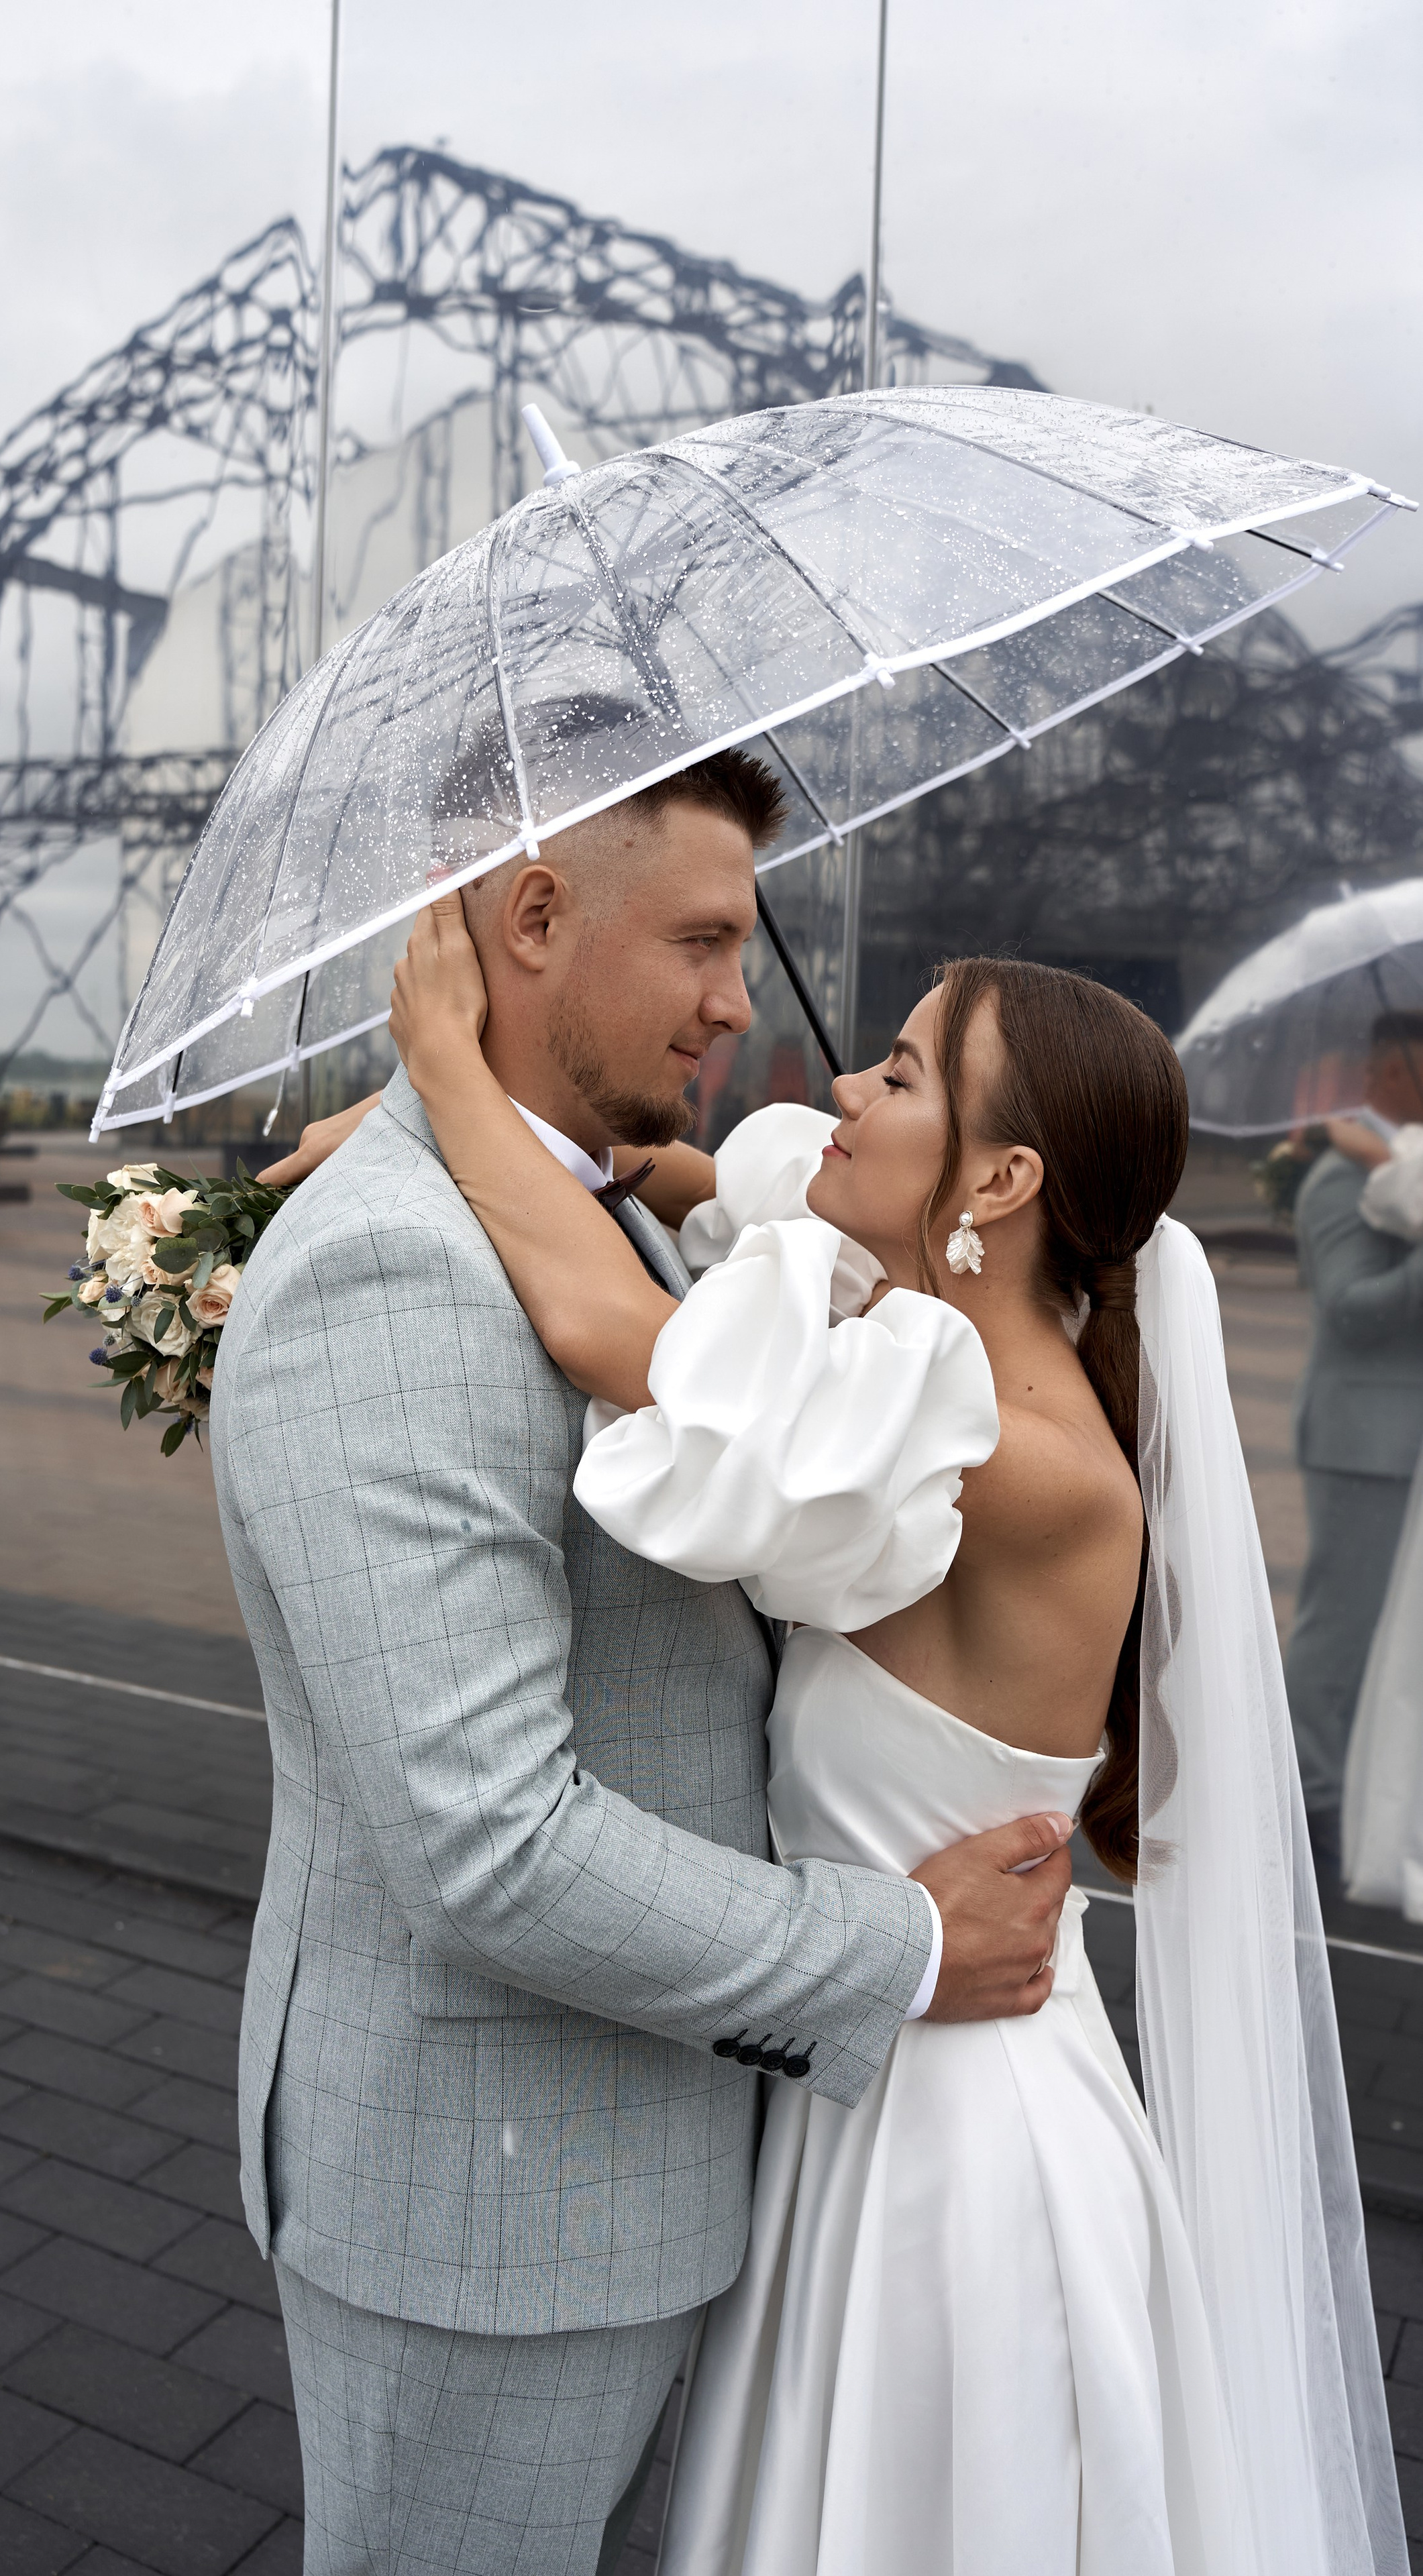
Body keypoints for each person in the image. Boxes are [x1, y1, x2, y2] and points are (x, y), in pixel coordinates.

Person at [381, 906, 1402, 2574]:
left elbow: (606, 1332)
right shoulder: (946, 1353)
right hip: (869, 2070)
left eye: (903, 1072)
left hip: (958, 2154)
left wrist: (441, 1063)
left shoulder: (1019, 1458)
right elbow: (752, 1181)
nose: (843, 1086)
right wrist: (607, 1160)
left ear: (999, 1181)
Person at [212, 751, 1075, 2576]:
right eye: (698, 940)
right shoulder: (396, 1270)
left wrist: (462, 1100)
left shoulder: (594, 1210)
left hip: (636, 2166)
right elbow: (488, 1845)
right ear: (532, 918)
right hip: (490, 2213)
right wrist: (902, 1948)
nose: (738, 1003)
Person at [1283, 1010, 1423, 1877]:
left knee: (1382, 1636)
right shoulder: (1341, 1180)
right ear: (1391, 1073)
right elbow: (1349, 1307)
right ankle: (1309, 1798)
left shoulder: (1400, 1168)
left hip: (1398, 1442)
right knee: (1341, 1629)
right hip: (1362, 1440)